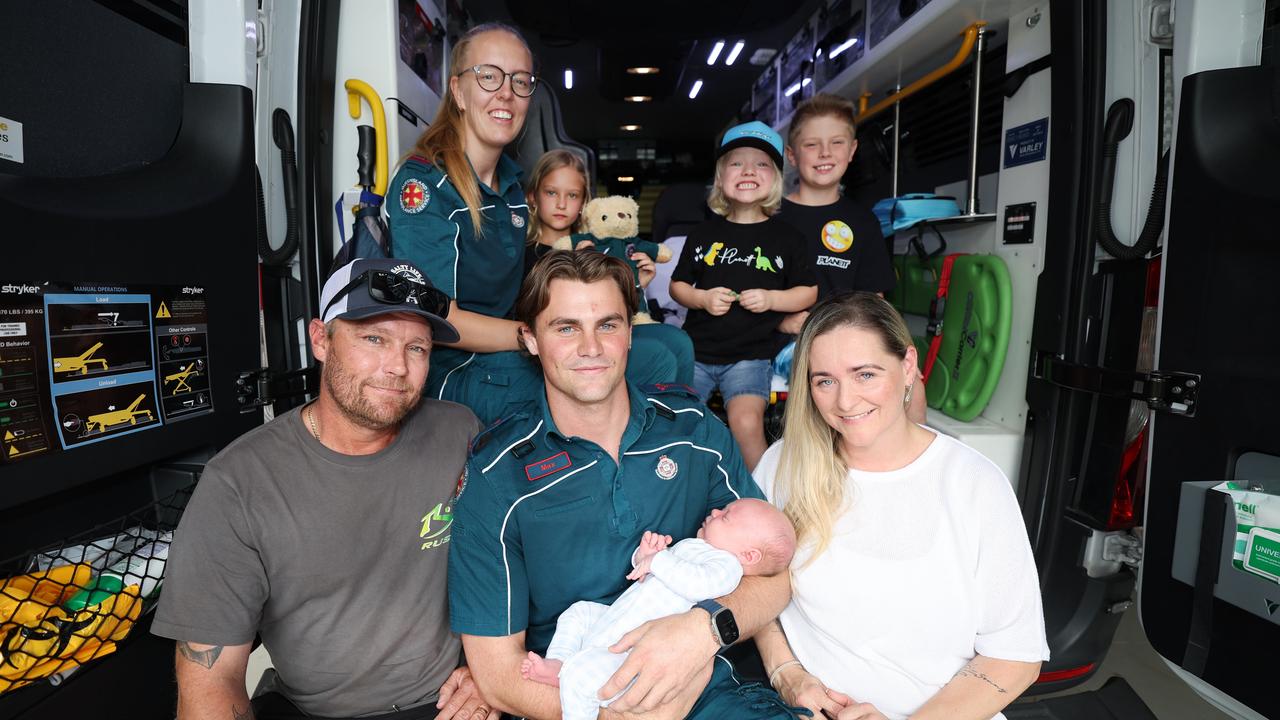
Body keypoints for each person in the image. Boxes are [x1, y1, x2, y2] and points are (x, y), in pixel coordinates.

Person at [449, 251, 798, 720]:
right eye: (566, 327)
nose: (591, 347)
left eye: (608, 325)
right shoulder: (497, 475)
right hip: (577, 695)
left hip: (709, 682)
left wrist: (702, 631)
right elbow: (498, 676)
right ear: (531, 339)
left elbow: (774, 577)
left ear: (631, 332)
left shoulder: (694, 429)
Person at [152, 258, 498, 720]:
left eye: (417, 348)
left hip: (455, 699)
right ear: (320, 339)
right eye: (374, 339)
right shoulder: (239, 483)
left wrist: (492, 672)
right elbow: (210, 684)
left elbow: (507, 561)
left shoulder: (459, 432)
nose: (396, 366)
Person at [752, 293, 1049, 720]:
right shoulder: (785, 464)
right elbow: (749, 582)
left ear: (908, 366)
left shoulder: (973, 483)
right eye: (824, 381)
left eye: (865, 374)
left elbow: (1015, 658)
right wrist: (787, 672)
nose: (845, 402)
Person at [387, 25, 673, 426]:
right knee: (647, 365)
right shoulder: (425, 186)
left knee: (665, 346)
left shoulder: (513, 187)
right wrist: (536, 335)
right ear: (458, 90)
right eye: (488, 76)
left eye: (521, 81)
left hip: (510, 348)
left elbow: (524, 286)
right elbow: (440, 319)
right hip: (457, 367)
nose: (506, 93)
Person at [520, 499, 796, 720]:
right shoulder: (694, 547)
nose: (714, 511)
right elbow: (647, 575)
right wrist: (643, 556)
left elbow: (699, 585)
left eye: (725, 516)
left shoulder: (727, 567)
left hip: (635, 651)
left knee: (581, 675)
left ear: (748, 555)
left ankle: (574, 697)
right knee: (578, 613)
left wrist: (659, 561)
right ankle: (558, 662)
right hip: (617, 621)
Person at [669, 121, 817, 470]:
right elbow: (678, 287)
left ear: (776, 180)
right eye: (736, 163)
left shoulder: (788, 238)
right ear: (720, 179)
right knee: (680, 422)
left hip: (750, 357)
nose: (748, 170)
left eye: (761, 164)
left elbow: (808, 292)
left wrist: (772, 299)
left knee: (746, 423)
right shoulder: (703, 234)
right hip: (698, 353)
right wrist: (702, 299)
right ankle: (681, 488)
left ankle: (761, 498)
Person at [523, 150, 695, 385]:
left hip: (610, 328)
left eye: (572, 195)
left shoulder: (599, 245)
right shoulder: (525, 252)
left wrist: (638, 285)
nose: (561, 204)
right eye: (551, 192)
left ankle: (682, 416)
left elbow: (612, 312)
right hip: (568, 340)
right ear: (533, 197)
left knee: (679, 341)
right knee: (659, 354)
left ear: (584, 203)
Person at [775, 93, 895, 334]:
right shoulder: (769, 217)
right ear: (791, 155)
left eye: (837, 142)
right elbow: (742, 295)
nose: (825, 153)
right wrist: (782, 323)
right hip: (772, 355)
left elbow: (874, 302)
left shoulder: (863, 222)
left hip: (841, 350)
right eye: (811, 144)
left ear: (852, 150)